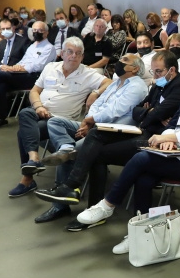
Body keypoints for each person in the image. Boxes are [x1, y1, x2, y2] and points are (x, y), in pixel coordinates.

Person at [75, 59, 180, 247]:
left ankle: (108, 204)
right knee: (143, 178)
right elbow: (173, 123)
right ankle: (139, 234)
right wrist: (167, 137)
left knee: (141, 158)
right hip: (176, 153)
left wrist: (171, 138)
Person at [35, 51, 180, 231]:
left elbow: (154, 113)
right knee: (96, 135)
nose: (155, 76)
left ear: (171, 70)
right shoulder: (159, 85)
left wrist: (151, 112)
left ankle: (86, 200)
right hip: (143, 131)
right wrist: (150, 112)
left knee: (94, 152)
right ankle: (75, 190)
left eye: (158, 71)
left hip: (156, 140)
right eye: (153, 71)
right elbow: (138, 111)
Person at [34, 53, 149, 224]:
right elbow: (98, 104)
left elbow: (115, 111)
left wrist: (91, 122)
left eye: (125, 60)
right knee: (55, 123)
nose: (119, 62)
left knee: (71, 153)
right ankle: (66, 148)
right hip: (95, 126)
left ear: (135, 68)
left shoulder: (137, 86)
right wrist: (88, 122)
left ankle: (60, 204)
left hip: (113, 133)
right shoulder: (116, 82)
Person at [6, 37, 111, 198]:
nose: (73, 56)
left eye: (78, 53)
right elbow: (34, 91)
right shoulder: (50, 67)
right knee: (25, 113)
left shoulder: (88, 74)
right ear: (62, 53)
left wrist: (95, 92)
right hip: (39, 112)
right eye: (70, 52)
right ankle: (33, 159)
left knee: (23, 132)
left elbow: (110, 82)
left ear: (82, 57)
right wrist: (39, 106)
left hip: (61, 121)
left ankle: (28, 177)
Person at [0, 21, 57, 130]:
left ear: (46, 33)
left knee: (0, 74)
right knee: (1, 85)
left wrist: (16, 68)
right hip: (21, 74)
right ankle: (1, 117)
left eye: (40, 30)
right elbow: (23, 60)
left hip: (35, 77)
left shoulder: (49, 48)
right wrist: (15, 67)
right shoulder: (32, 46)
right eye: (34, 30)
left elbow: (38, 66)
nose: (36, 32)